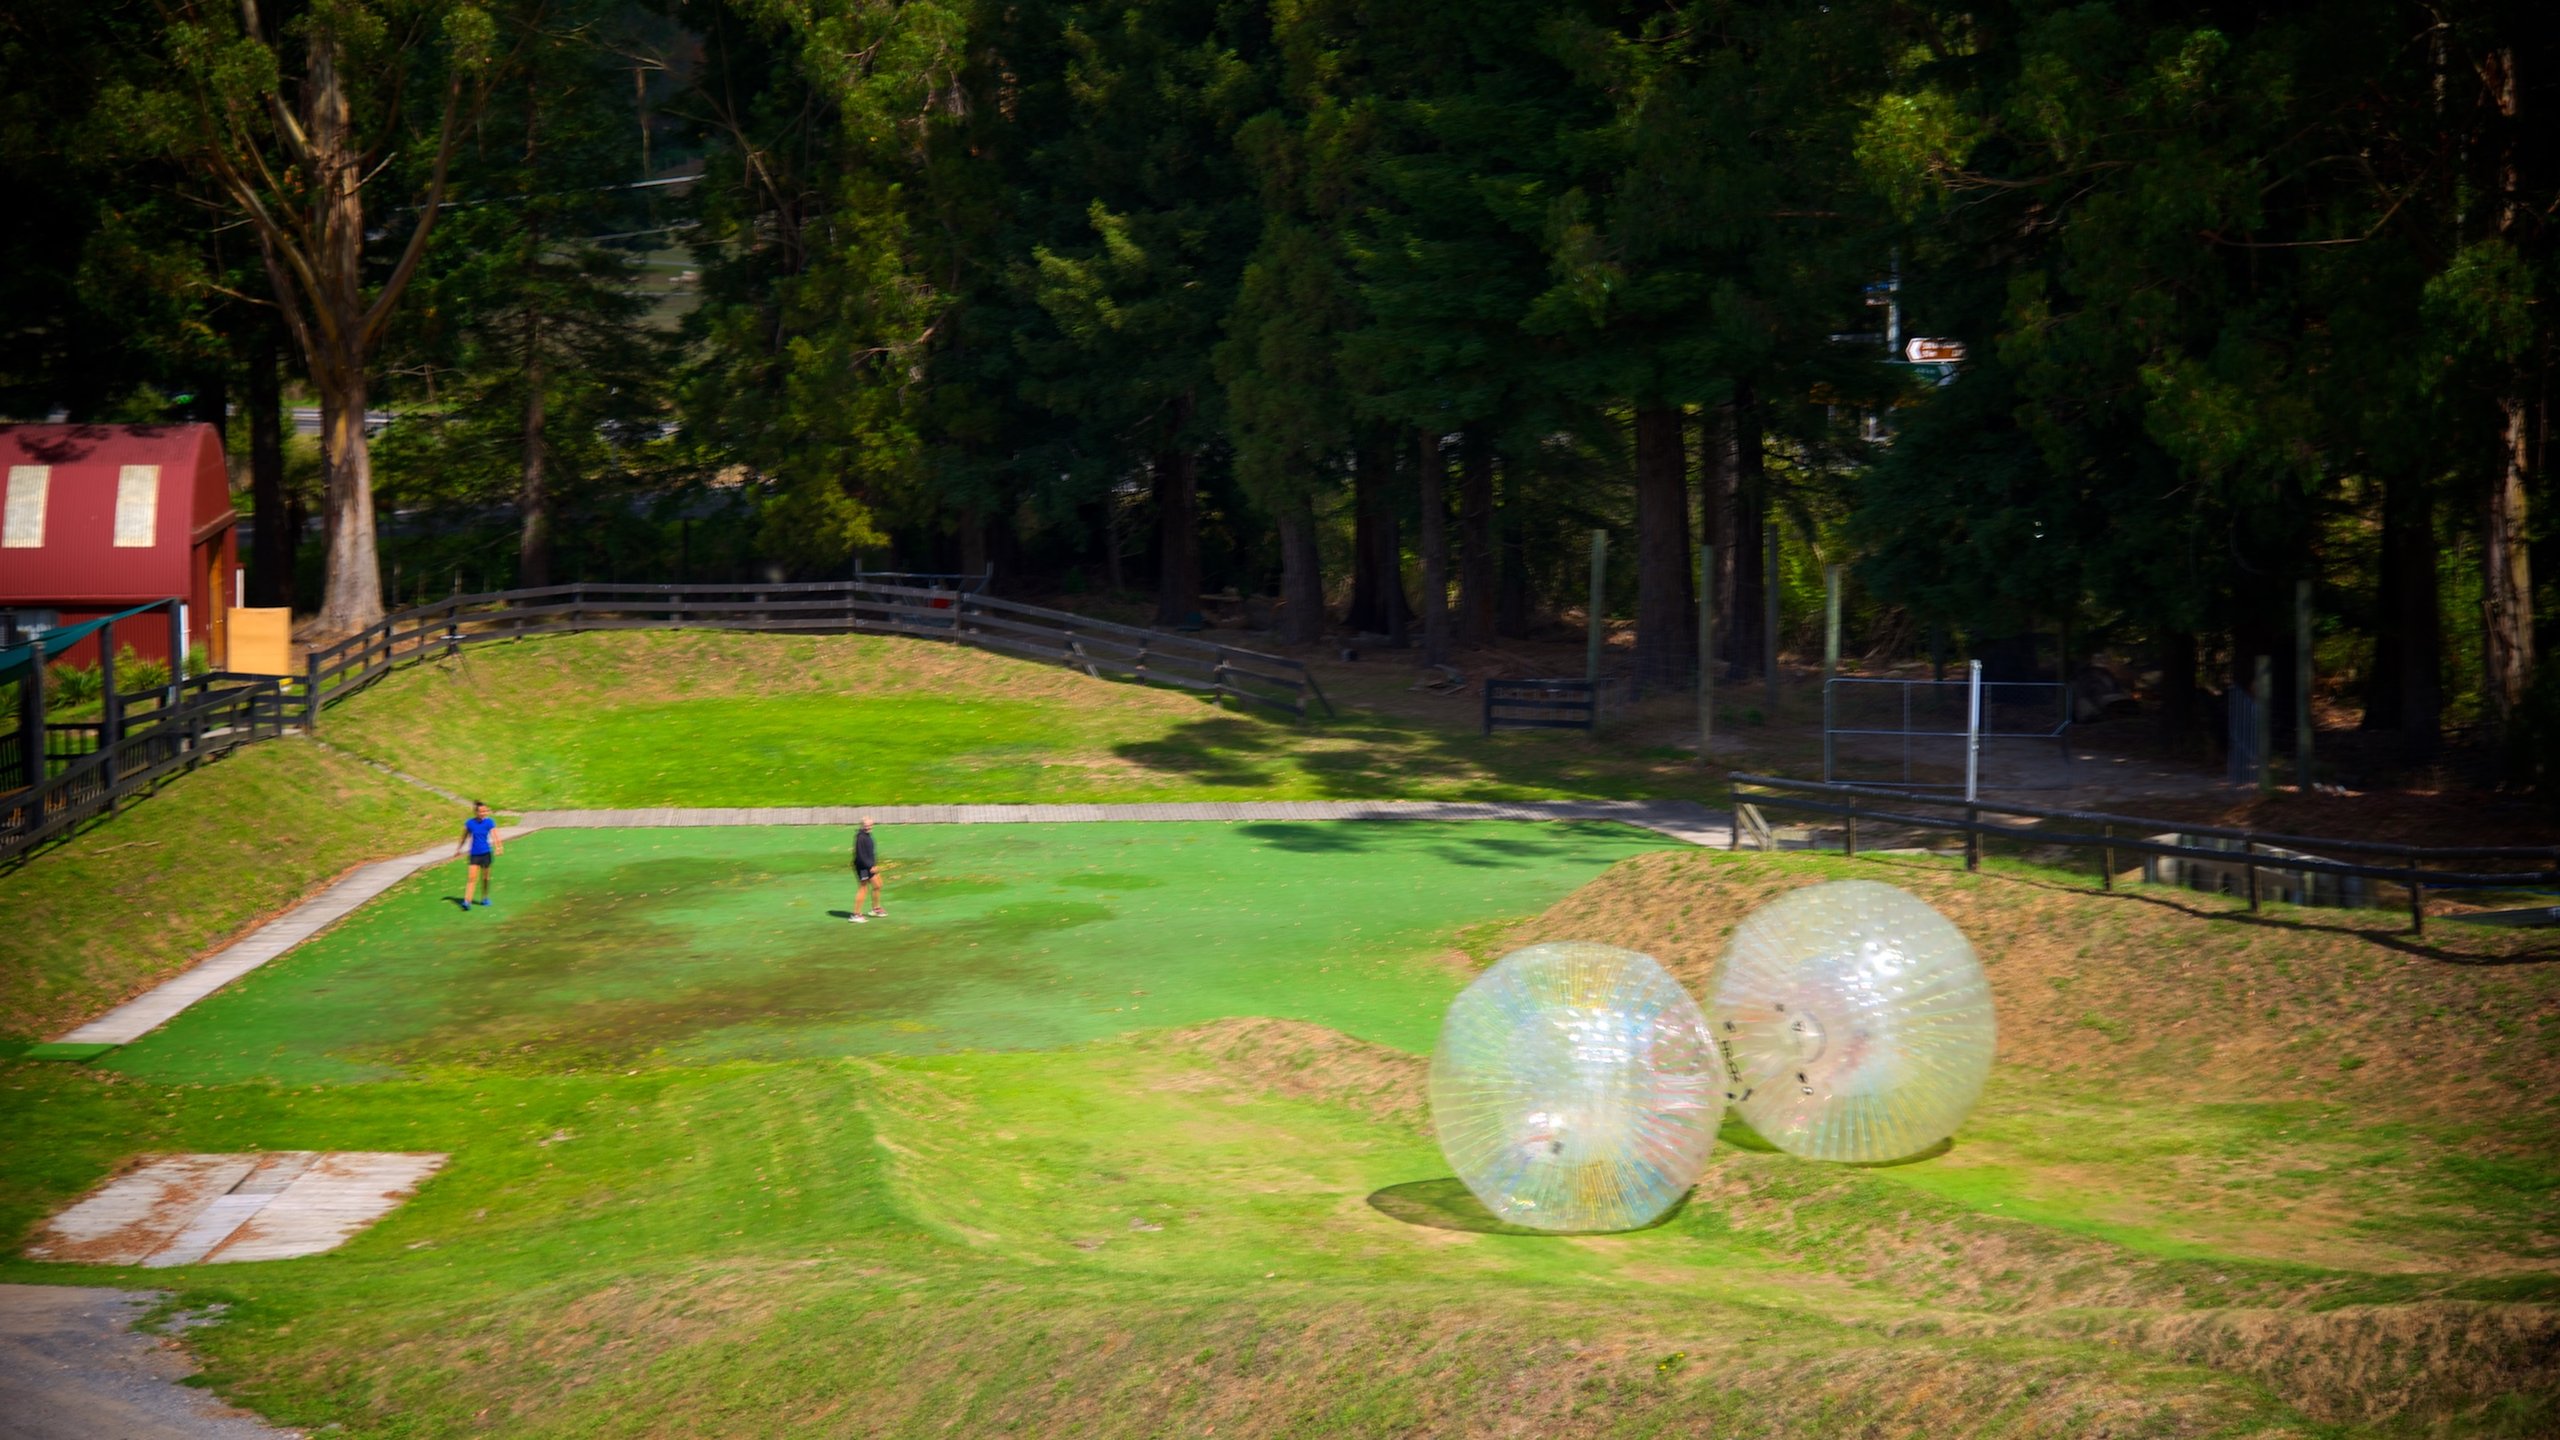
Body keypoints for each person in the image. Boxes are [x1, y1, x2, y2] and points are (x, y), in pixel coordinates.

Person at [455, 801, 501, 909]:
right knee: (471, 878)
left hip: (486, 853)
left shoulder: (489, 822)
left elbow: (495, 835)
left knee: (485, 878)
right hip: (474, 854)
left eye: (485, 811)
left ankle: (485, 897)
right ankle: (467, 901)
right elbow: (464, 837)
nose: (484, 813)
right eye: (481, 811)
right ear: (476, 812)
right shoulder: (469, 823)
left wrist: (498, 847)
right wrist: (459, 849)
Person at [850, 817, 885, 922]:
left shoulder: (868, 835)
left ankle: (876, 909)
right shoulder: (860, 837)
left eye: (870, 825)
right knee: (863, 888)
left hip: (870, 866)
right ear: (862, 825)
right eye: (866, 825)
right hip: (863, 867)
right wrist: (871, 866)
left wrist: (874, 864)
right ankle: (856, 915)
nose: (868, 827)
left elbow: (870, 853)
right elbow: (861, 856)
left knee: (878, 885)